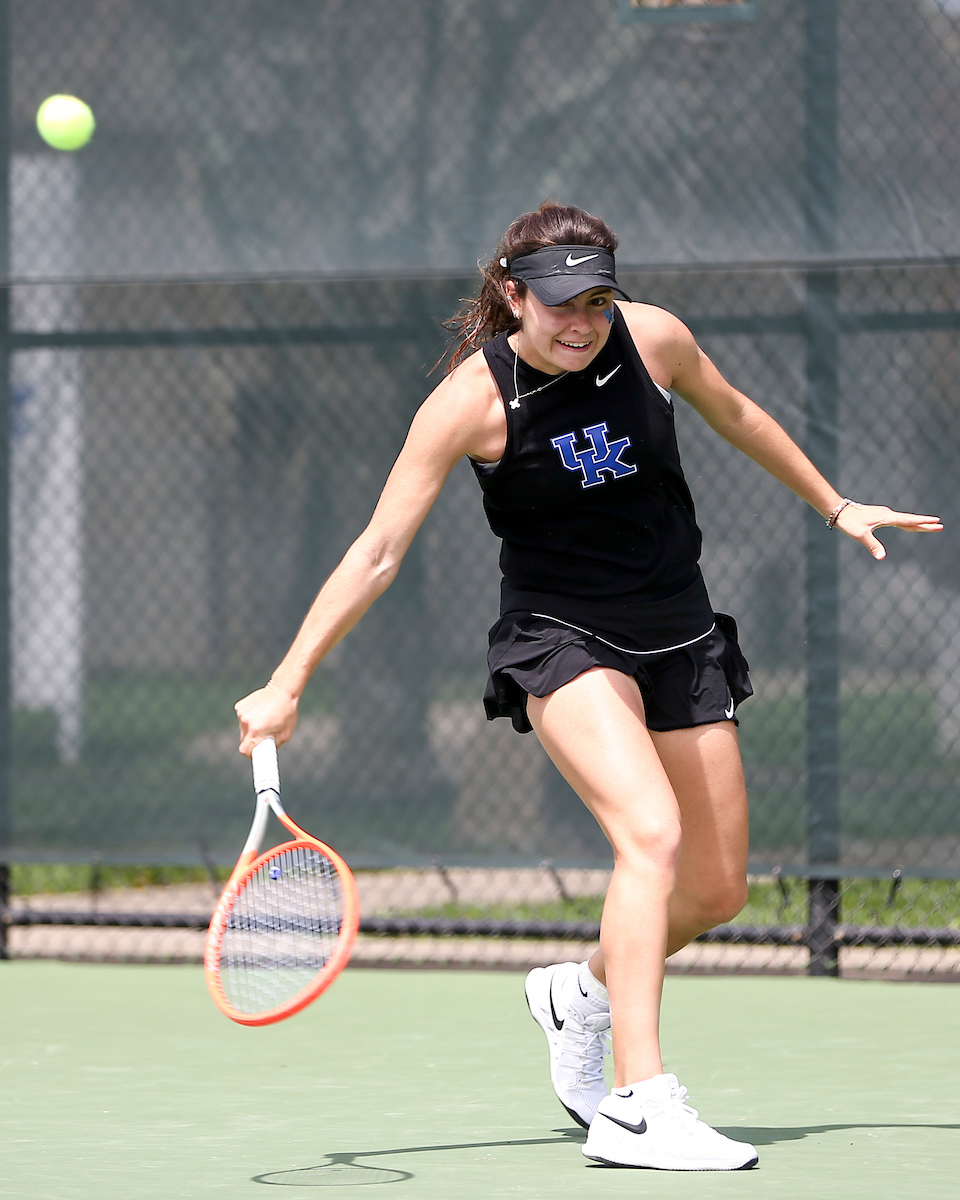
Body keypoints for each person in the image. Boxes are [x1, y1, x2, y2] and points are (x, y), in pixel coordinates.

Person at [234, 201, 942, 1171]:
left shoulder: (653, 341)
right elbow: (378, 552)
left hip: (680, 632)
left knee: (718, 886)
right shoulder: (472, 404)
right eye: (562, 303)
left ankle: (579, 995)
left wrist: (837, 503)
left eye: (598, 300)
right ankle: (638, 1102)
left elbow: (735, 412)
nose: (582, 322)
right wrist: (287, 681)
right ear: (512, 295)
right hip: (560, 640)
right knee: (649, 836)